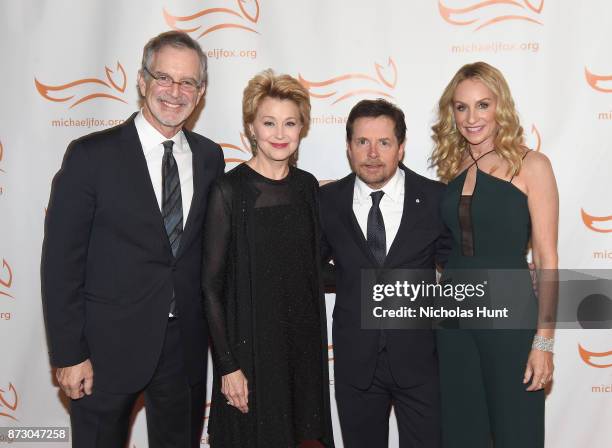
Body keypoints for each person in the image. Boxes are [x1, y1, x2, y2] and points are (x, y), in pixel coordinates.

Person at [41, 31, 225, 447]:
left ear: (201, 92)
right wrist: (69, 355)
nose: (175, 92)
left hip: (185, 350)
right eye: (164, 77)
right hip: (104, 350)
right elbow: (60, 263)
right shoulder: (91, 155)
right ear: (141, 81)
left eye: (188, 82)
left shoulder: (210, 157)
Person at [201, 69, 334, 448]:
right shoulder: (229, 191)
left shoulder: (307, 187)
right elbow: (210, 288)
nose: (279, 134)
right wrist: (228, 367)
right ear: (251, 128)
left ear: (302, 128)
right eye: (269, 123)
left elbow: (311, 269)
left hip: (303, 351)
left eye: (290, 123)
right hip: (252, 353)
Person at [430, 61, 558, 447]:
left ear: (500, 106)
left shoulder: (531, 165)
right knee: (461, 433)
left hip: (509, 316)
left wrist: (544, 342)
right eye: (461, 106)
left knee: (516, 430)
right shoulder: (453, 167)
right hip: (453, 321)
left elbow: (548, 260)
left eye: (482, 105)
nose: (472, 117)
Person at [319, 98, 452, 448]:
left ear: (401, 148)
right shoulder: (327, 201)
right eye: (363, 142)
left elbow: (457, 266)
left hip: (421, 362)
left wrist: (509, 272)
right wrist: (354, 282)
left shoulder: (436, 198)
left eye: (384, 142)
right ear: (349, 147)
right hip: (355, 363)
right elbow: (309, 268)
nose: (373, 153)